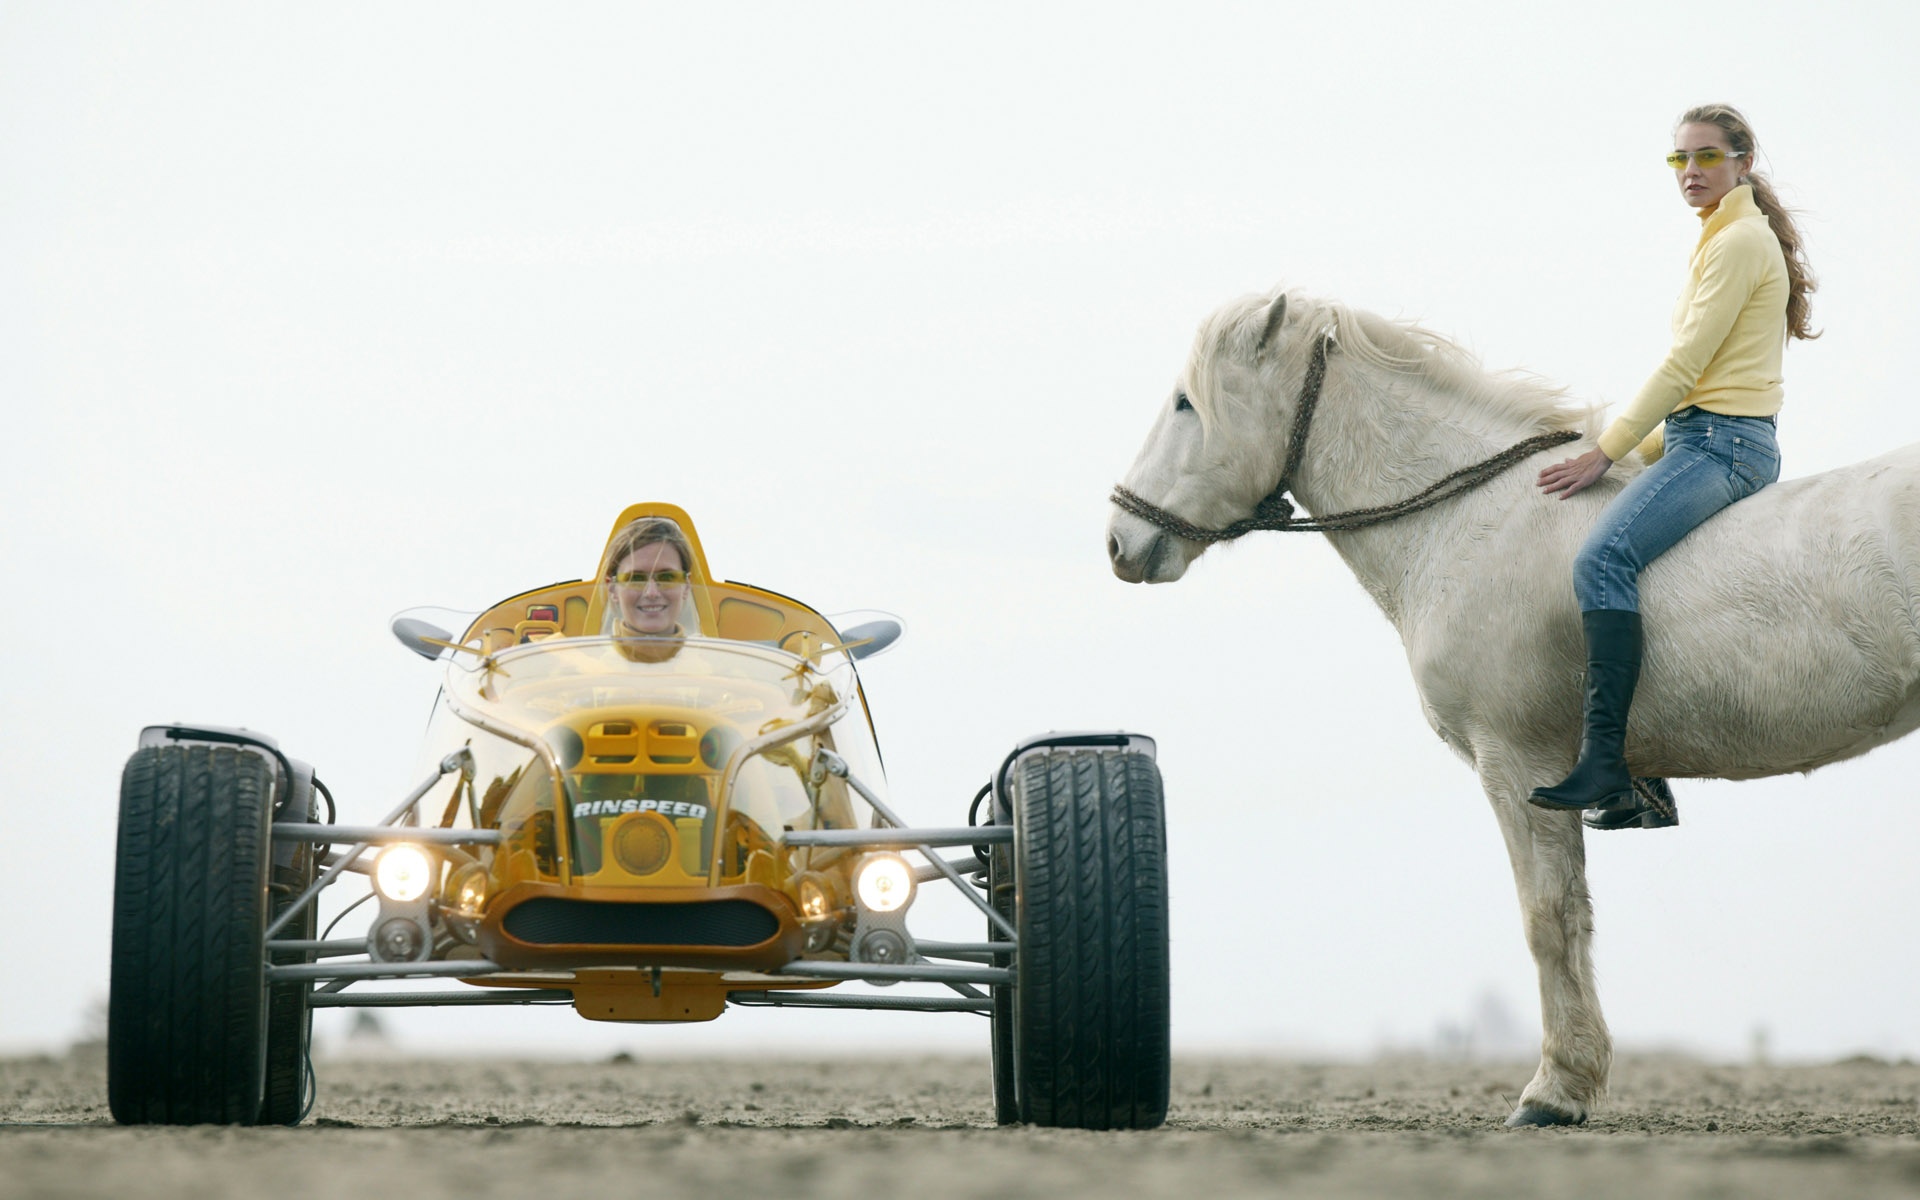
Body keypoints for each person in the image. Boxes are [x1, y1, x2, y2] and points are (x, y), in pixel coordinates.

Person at [1528, 104, 1816, 829]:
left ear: (1743, 162)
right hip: (1704, 437)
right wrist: (1638, 452)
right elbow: (1710, 382)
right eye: (1679, 159)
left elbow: (1686, 366)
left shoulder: (1739, 241)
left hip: (1724, 446)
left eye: (1707, 156)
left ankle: (1606, 763)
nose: (1691, 171)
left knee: (1603, 561)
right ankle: (1645, 783)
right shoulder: (1723, 235)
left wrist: (1607, 449)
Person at [600, 516, 701, 661]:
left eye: (667, 577)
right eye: (636, 578)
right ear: (612, 588)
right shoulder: (587, 670)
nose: (652, 593)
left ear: (686, 586)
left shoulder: (717, 667)